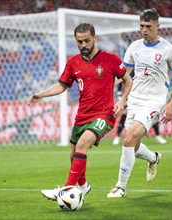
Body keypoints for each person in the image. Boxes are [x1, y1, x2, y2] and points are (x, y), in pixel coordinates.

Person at [28, 23, 132, 201]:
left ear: (95, 38)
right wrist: (41, 95)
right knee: (74, 154)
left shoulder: (111, 59)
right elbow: (62, 85)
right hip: (82, 115)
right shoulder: (73, 62)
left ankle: (67, 190)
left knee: (83, 144)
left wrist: (122, 101)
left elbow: (128, 80)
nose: (83, 45)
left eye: (86, 41)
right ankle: (83, 186)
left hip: (104, 114)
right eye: (79, 42)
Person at [107, 8, 172, 198]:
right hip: (134, 100)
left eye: (148, 26)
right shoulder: (134, 47)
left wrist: (171, 105)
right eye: (141, 26)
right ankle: (154, 158)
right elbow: (123, 76)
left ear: (157, 26)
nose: (144, 30)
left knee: (128, 138)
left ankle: (120, 187)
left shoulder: (169, 50)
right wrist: (117, 95)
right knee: (132, 147)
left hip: (155, 102)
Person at [112, 81, 166, 145]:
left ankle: (157, 135)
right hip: (128, 98)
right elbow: (120, 87)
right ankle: (118, 136)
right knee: (125, 115)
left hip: (142, 99)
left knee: (150, 115)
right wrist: (122, 100)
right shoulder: (128, 73)